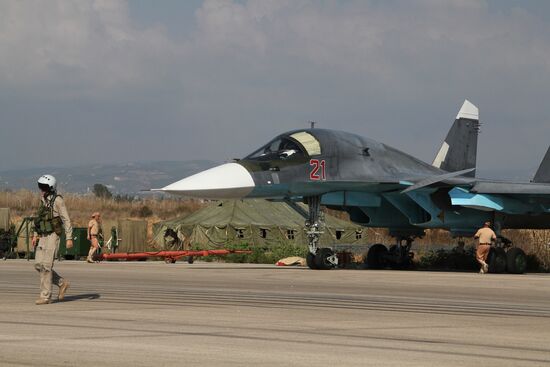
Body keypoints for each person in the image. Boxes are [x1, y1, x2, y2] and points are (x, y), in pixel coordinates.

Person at [32, 174, 73, 305]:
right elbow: (39, 219)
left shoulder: (58, 201)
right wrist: (34, 234)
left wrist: (69, 238)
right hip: (43, 235)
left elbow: (66, 219)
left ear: (51, 187)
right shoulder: (43, 200)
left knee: (47, 266)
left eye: (44, 187)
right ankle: (62, 283)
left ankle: (45, 296)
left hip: (53, 235)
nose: (41, 189)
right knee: (38, 264)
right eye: (41, 186)